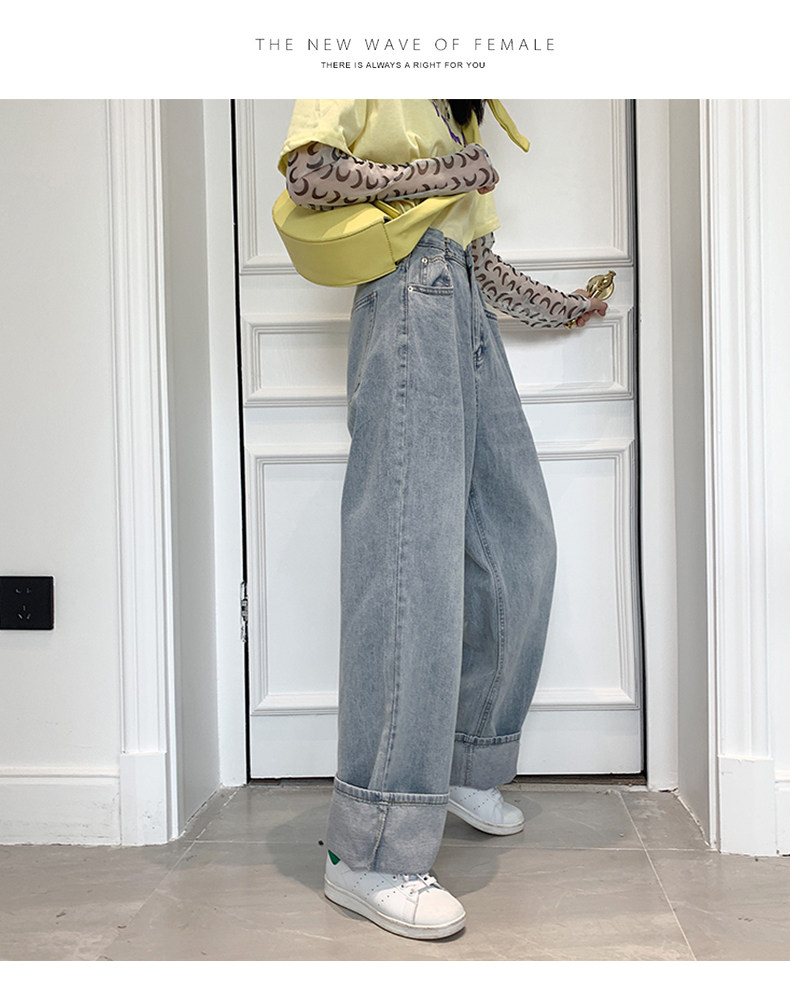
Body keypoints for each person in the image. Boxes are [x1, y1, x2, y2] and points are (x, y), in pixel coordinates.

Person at [277, 99, 607, 941]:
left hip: (459, 307)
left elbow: (479, 262)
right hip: (405, 303)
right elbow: (309, 177)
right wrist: (445, 172)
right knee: (409, 567)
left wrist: (563, 307)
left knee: (518, 543)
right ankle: (370, 849)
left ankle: (464, 760)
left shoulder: (459, 116)